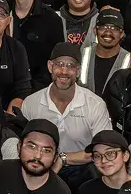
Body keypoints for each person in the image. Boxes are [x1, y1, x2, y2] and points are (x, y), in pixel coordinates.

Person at [20, 42, 112, 183]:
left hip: (83, 170)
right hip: (40, 167)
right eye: (59, 64)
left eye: (70, 66)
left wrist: (63, 159)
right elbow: (23, 147)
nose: (64, 71)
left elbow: (103, 150)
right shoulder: (31, 103)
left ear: (78, 71)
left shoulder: (95, 104)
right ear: (50, 66)